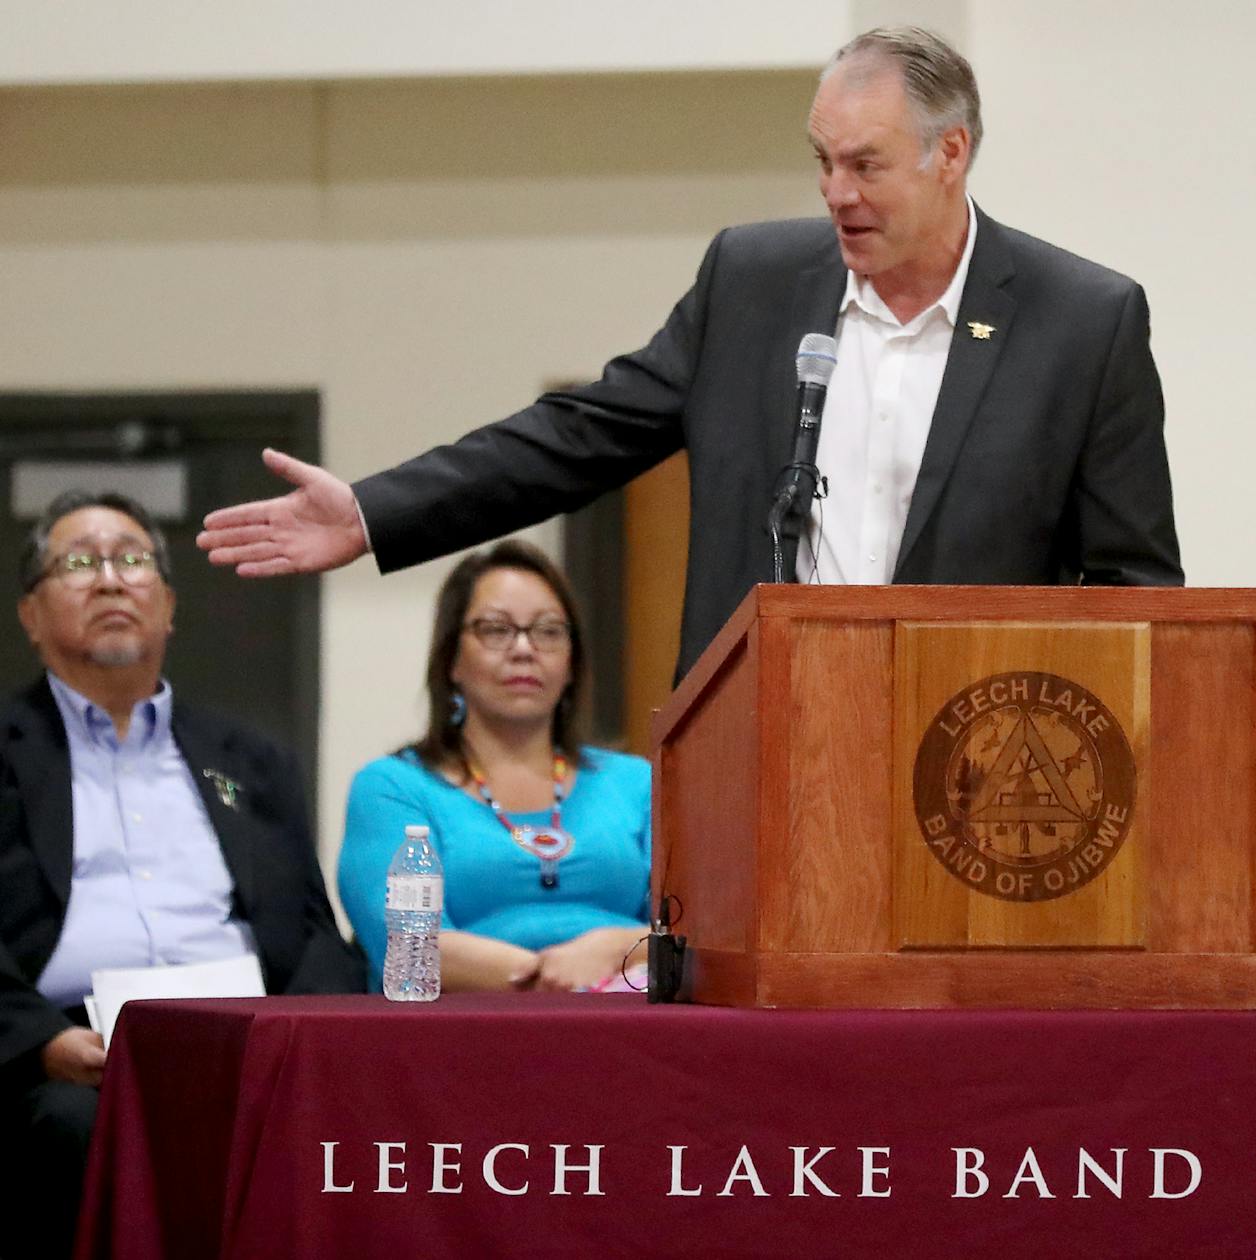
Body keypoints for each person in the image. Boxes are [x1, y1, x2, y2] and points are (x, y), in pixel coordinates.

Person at [197, 26, 1183, 682]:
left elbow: (1135, 589)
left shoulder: (1080, 323)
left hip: (976, 765)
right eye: (822, 161)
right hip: (759, 744)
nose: (835, 193)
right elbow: (575, 435)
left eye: (865, 165)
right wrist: (376, 513)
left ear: (951, 153)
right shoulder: (753, 283)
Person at [0, 490, 364, 1260]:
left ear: (167, 605)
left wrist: (291, 1042)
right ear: (30, 615)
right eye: (78, 563)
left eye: (133, 561)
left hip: (243, 1044)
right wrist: (41, 1044)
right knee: (74, 1129)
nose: (110, 580)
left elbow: (310, 930)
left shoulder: (251, 760)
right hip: (69, 1059)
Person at [338, 540, 651, 992]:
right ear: (451, 660)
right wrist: (553, 980)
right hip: (460, 1034)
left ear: (571, 662)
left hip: (631, 1025)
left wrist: (608, 951)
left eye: (547, 631)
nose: (524, 649)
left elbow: (700, 937)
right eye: (496, 630)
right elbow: (409, 947)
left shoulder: (637, 782)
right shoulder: (394, 787)